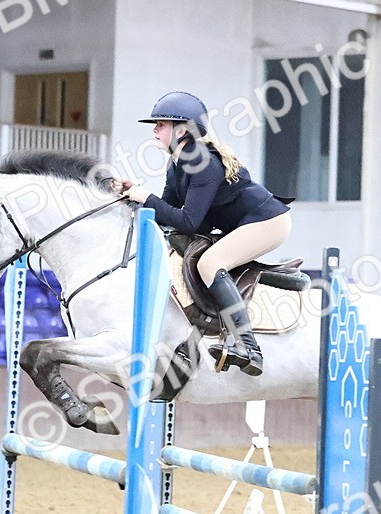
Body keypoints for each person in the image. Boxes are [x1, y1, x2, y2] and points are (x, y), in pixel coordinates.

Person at [122, 91, 291, 377]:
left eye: (161, 124)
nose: (154, 129)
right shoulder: (176, 164)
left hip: (268, 221)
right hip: (245, 223)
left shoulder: (200, 160)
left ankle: (250, 348)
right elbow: (170, 212)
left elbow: (188, 221)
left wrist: (147, 197)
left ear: (182, 130)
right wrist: (135, 198)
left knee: (209, 263)